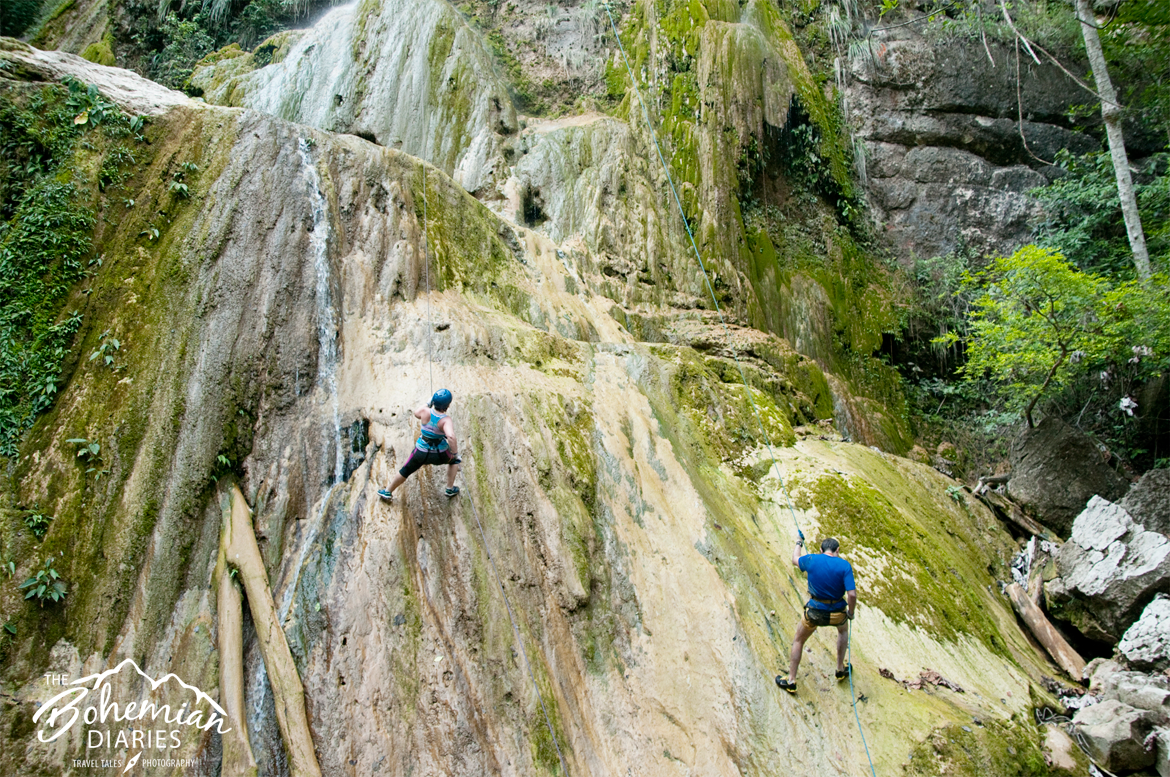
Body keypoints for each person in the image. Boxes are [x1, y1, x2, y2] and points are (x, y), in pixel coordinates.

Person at [775, 536, 857, 694]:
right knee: (843, 631)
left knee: (799, 640)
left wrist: (799, 542)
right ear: (837, 551)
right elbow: (852, 595)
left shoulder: (812, 559)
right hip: (837, 612)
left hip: (815, 611)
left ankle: (791, 680)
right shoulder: (844, 565)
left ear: (821, 550)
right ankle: (840, 668)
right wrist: (851, 613)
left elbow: (794, 559)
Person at [378, 389, 461, 500]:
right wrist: (455, 453)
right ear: (448, 405)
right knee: (454, 461)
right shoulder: (446, 420)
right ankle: (449, 489)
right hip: (440, 454)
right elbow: (450, 436)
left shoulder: (424, 411)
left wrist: (428, 404)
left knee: (405, 470)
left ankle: (388, 491)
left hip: (420, 452)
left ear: (434, 402)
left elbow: (416, 413)